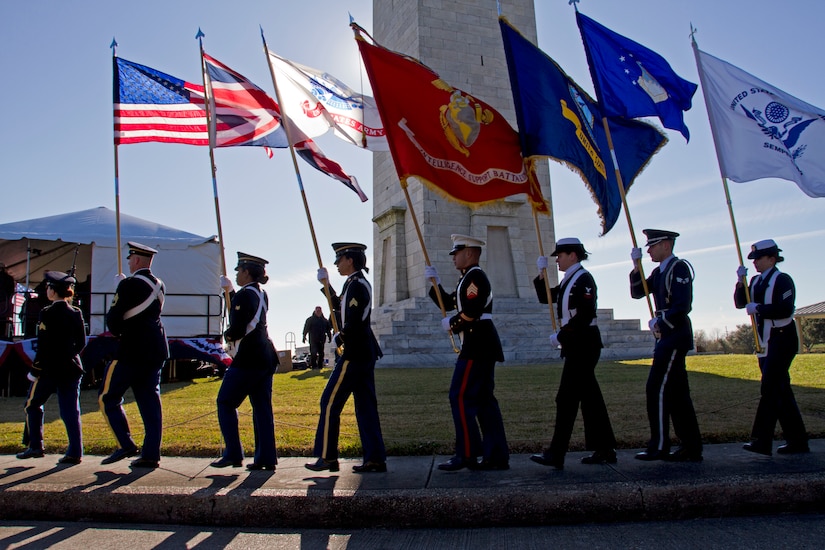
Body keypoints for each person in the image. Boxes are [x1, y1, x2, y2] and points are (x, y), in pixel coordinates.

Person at [529, 239, 616, 470]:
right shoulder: (570, 280)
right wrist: (540, 274)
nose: (557, 259)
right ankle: (605, 449)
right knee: (590, 399)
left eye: (561, 255)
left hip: (584, 345)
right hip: (577, 345)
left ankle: (556, 454)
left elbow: (585, 315)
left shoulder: (583, 279)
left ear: (574, 256)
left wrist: (561, 336)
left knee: (566, 399)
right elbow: (546, 298)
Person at [425, 234, 509, 471]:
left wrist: (451, 324)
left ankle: (467, 453)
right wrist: (434, 284)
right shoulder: (467, 279)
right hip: (480, 345)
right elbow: (452, 302)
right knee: (484, 401)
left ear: (470, 253)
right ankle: (496, 455)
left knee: (459, 397)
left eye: (457, 253)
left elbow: (470, 312)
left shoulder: (475, 277)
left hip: (477, 346)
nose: (453, 258)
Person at [305, 242, 387, 474]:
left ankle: (327, 456)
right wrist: (326, 285)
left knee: (329, 402)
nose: (337, 264)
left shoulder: (358, 284)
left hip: (354, 353)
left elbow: (352, 319)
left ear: (350, 260)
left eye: (339, 260)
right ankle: (374, 459)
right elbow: (340, 309)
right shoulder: (353, 283)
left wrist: (341, 337)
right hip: (362, 352)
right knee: (365, 407)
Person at [629, 229, 703, 462]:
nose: (649, 249)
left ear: (667, 246)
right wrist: (635, 267)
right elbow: (638, 292)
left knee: (657, 388)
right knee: (678, 394)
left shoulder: (678, 268)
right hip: (665, 335)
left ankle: (659, 445)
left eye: (653, 245)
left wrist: (661, 322)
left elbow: (682, 305)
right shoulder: (659, 272)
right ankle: (691, 446)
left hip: (674, 335)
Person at [735, 239, 809, 456]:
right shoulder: (756, 281)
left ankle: (761, 440)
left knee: (769, 388)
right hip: (765, 342)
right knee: (781, 391)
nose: (756, 263)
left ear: (772, 258)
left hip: (782, 339)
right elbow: (741, 302)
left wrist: (758, 308)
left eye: (759, 258)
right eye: (754, 259)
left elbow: (785, 309)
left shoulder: (783, 280)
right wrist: (741, 282)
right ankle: (797, 440)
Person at [99, 242, 168, 469]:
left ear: (137, 260)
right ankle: (150, 453)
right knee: (150, 402)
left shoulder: (128, 285)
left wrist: (120, 290)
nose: (128, 262)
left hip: (131, 349)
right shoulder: (159, 285)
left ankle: (125, 443)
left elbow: (114, 321)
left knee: (108, 397)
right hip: (156, 348)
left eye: (130, 259)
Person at [211, 252, 279, 470]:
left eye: (238, 271)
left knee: (225, 402)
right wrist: (230, 292)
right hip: (265, 356)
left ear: (246, 272)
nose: (236, 274)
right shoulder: (262, 294)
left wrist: (226, 335)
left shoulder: (243, 296)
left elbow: (238, 327)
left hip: (248, 357)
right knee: (261, 409)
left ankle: (233, 452)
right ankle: (266, 458)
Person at [16, 271, 86, 464]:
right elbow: (81, 343)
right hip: (71, 367)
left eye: (48, 287)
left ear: (53, 291)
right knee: (70, 410)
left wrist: (35, 370)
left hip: (49, 369)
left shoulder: (47, 313)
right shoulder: (76, 313)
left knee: (32, 404)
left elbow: (44, 345)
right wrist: (68, 355)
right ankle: (75, 451)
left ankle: (35, 445)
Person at [0, 262, 15, 340]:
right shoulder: (9, 278)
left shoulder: (7, 278)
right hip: (4, 302)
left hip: (3, 301)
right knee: (3, 322)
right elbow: (11, 291)